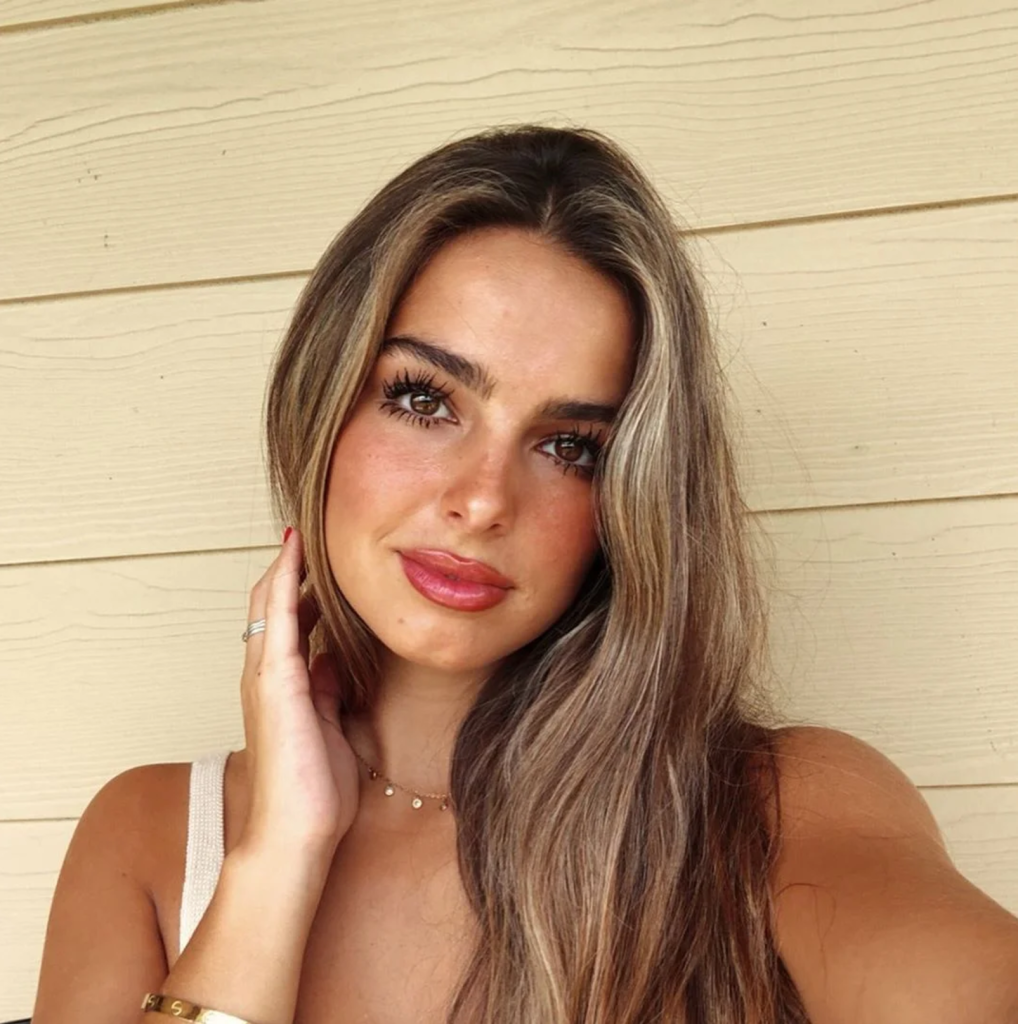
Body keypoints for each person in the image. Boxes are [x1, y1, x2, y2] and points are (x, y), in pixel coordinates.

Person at [30, 124, 1018, 1024]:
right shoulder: (150, 837)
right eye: (425, 399)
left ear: (630, 504)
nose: (482, 499)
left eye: (569, 446)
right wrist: (278, 855)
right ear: (322, 406)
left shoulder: (769, 807)